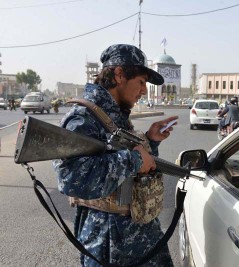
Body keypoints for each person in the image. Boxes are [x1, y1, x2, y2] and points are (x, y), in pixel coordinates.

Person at [53, 44, 176, 266]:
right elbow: (70, 179)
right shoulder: (83, 118)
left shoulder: (116, 116)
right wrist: (134, 160)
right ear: (119, 75)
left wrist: (150, 140)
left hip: (138, 235)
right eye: (141, 82)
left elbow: (125, 161)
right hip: (109, 243)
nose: (144, 91)